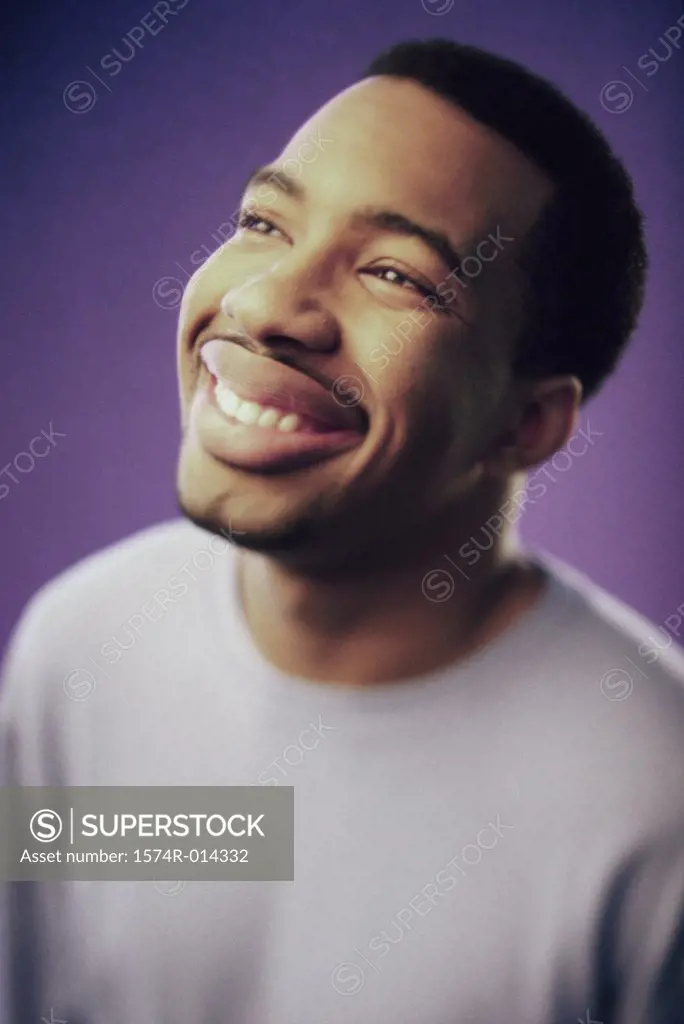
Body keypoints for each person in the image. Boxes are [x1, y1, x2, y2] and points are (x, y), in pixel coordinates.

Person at [1, 37, 683, 1024]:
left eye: (398, 276)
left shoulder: (656, 799)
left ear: (525, 424)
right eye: (264, 222)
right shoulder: (77, 652)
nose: (266, 301)